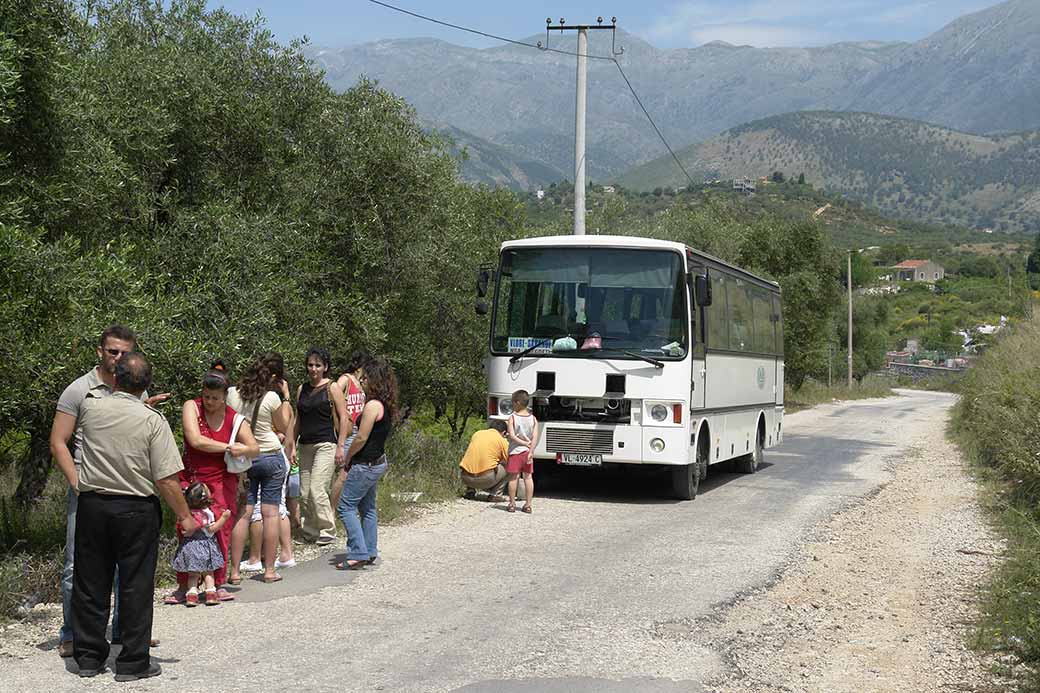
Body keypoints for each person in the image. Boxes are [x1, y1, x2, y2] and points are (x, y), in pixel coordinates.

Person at [71, 353, 197, 681]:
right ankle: (132, 662)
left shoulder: (91, 407)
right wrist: (184, 516)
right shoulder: (152, 420)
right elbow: (167, 479)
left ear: (115, 377)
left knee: (90, 582)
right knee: (135, 585)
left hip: (93, 506)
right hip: (134, 509)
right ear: (147, 384)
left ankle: (87, 657)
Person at [49, 325, 168, 658]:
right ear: (100, 351)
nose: (118, 358)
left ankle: (123, 632)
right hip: (89, 491)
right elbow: (59, 441)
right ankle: (72, 634)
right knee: (77, 566)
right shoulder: (79, 391)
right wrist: (77, 482)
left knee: (125, 568)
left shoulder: (133, 388)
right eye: (112, 351)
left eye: (124, 353)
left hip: (128, 491)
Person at [165, 362, 258, 605]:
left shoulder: (234, 418)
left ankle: (215, 582)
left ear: (225, 396)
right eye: (206, 396)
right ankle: (185, 584)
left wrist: (243, 447)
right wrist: (230, 446)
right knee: (186, 528)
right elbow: (195, 440)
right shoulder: (191, 407)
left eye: (215, 398)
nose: (209, 402)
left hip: (221, 479)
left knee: (220, 529)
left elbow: (255, 447)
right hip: (193, 477)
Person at [227, 352, 292, 584]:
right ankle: (269, 570)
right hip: (270, 456)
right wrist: (286, 398)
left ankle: (234, 572)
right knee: (271, 513)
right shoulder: (272, 398)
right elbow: (284, 425)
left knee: (243, 514)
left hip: (243, 459)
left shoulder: (231, 394)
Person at [336, 358, 396, 570]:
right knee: (367, 507)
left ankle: (358, 552)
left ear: (374, 380)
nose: (361, 382)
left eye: (364, 378)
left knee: (345, 506)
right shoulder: (385, 405)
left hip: (365, 464)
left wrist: (348, 456)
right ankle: (369, 550)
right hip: (377, 462)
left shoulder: (372, 406)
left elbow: (361, 437)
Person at [291, 347, 349, 545]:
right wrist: (291, 445)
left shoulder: (332, 388)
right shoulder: (302, 389)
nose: (313, 369)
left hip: (326, 443)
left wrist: (340, 446)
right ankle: (310, 531)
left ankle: (327, 529)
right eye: (310, 365)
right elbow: (298, 419)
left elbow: (344, 418)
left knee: (317, 487)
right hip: (305, 445)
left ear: (325, 367)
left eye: (317, 365)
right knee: (305, 491)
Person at [172, 483, 232, 607]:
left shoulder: (187, 514)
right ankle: (210, 594)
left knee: (193, 575)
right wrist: (224, 518)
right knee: (208, 573)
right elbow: (211, 529)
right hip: (205, 546)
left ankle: (192, 595)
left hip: (189, 547)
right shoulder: (207, 514)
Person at [331, 350, 370, 511]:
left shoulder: (361, 384)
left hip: (358, 430)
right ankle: (332, 510)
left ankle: (344, 507)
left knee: (352, 471)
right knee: (344, 471)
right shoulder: (346, 379)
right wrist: (343, 413)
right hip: (347, 430)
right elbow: (333, 393)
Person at [459, 419, 509, 502]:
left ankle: (470, 491)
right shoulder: (502, 440)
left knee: (474, 459)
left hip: (465, 478)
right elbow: (510, 461)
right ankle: (495, 495)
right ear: (504, 432)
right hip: (485, 480)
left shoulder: (477, 434)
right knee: (510, 468)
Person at [506, 390, 539, 514]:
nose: (512, 405)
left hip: (515, 452)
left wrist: (523, 443)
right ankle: (528, 504)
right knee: (528, 477)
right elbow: (535, 437)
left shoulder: (512, 418)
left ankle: (512, 504)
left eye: (513, 403)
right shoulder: (533, 419)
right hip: (527, 453)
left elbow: (512, 436)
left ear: (518, 403)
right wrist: (531, 450)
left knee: (513, 478)